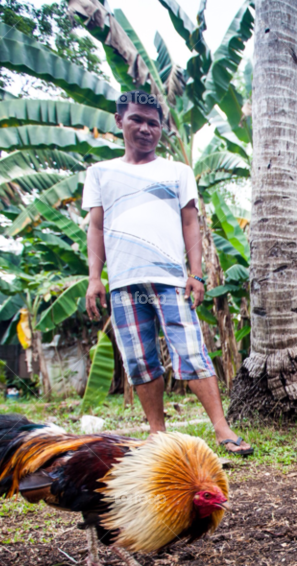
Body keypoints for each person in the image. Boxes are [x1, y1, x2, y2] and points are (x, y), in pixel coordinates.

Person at [82, 90, 253, 455]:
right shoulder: (100, 173)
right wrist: (95, 278)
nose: (146, 129)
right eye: (137, 120)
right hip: (124, 282)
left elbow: (190, 222)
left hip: (171, 278)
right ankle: (157, 433)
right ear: (119, 122)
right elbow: (95, 228)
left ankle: (222, 428)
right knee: (141, 360)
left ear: (161, 129)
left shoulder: (177, 172)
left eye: (153, 123)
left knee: (191, 351)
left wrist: (197, 272)